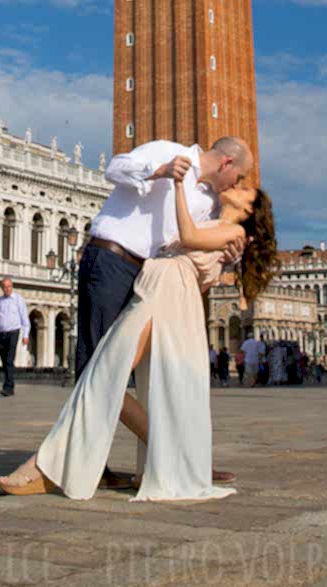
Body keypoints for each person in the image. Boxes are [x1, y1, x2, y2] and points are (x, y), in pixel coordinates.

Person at [0, 174, 276, 500]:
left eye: (243, 190)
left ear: (248, 210)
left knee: (105, 374)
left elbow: (187, 238)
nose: (235, 186)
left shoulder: (234, 232)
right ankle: (174, 457)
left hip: (164, 296)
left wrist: (179, 186)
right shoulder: (218, 230)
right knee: (111, 376)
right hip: (158, 291)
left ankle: (45, 466)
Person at [76, 136, 252, 487]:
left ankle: (175, 459)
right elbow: (115, 168)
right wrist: (157, 171)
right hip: (112, 258)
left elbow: (190, 243)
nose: (237, 185)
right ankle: (90, 465)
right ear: (226, 164)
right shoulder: (168, 151)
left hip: (148, 276)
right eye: (238, 177)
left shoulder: (207, 203)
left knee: (136, 370)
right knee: (96, 364)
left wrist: (226, 255)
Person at [0, 278, 29, 397]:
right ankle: (10, 385)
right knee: (4, 361)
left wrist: (25, 335)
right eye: (5, 287)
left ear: (12, 287)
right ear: (2, 288)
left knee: (9, 359)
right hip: (1, 333)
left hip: (13, 332)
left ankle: (7, 387)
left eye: (9, 287)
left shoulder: (18, 299)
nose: (7, 289)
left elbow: (24, 317)